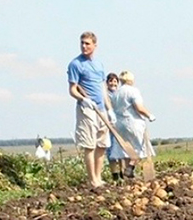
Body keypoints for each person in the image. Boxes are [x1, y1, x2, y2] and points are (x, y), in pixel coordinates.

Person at [67, 31, 114, 188]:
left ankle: (99, 177)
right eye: (82, 43)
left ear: (95, 45)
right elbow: (72, 89)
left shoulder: (99, 65)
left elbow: (103, 89)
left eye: (87, 43)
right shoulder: (75, 64)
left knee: (102, 144)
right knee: (90, 145)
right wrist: (83, 99)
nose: (84, 46)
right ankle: (92, 179)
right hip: (87, 109)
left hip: (101, 109)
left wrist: (109, 109)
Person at [108, 70, 156, 179]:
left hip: (120, 124)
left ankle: (128, 175)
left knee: (126, 150)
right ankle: (130, 168)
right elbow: (139, 108)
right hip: (133, 123)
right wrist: (149, 115)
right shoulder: (133, 91)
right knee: (139, 148)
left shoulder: (116, 93)